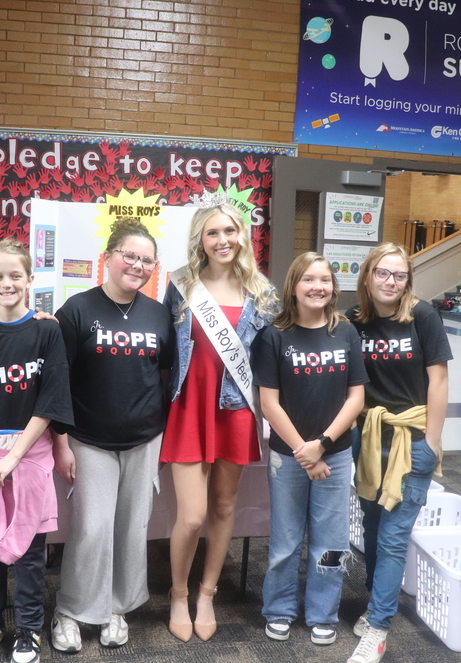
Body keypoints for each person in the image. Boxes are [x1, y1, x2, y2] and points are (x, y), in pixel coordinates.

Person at [50, 218, 174, 654]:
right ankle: (70, 610)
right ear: (108, 257)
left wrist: (161, 439)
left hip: (143, 440)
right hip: (89, 440)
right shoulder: (77, 311)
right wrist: (61, 443)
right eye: (130, 256)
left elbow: (164, 378)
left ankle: (116, 607)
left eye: (146, 260)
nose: (137, 265)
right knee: (92, 529)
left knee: (131, 528)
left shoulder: (159, 314)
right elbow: (57, 385)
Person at [161, 194, 277, 642]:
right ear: (201, 240)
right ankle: (177, 593)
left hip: (236, 411)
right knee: (191, 516)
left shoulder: (262, 293)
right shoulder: (180, 285)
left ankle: (206, 593)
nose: (223, 239)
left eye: (230, 230)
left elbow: (272, 357)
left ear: (241, 235)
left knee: (224, 507)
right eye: (213, 232)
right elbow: (161, 344)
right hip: (190, 406)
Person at [0, 238, 74, 663]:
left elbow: (50, 401)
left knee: (30, 551)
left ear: (30, 280)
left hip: (30, 453)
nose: (7, 283)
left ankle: (28, 628)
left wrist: (13, 457)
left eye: (15, 276)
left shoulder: (47, 331)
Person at [251, 252, 367, 646]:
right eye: (308, 279)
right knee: (285, 542)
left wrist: (323, 445)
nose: (318, 286)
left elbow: (356, 399)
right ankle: (279, 610)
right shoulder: (273, 336)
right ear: (294, 287)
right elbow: (269, 403)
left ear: (333, 287)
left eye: (325, 279)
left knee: (331, 544)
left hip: (333, 457)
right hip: (288, 458)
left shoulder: (346, 333)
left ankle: (323, 613)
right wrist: (304, 451)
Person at [345, 243, 452, 663]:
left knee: (393, 534)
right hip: (368, 436)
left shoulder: (422, 315)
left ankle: (379, 626)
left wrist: (432, 442)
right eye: (383, 273)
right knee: (370, 523)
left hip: (410, 436)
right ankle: (376, 601)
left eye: (400, 275)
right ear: (368, 276)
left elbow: (439, 381)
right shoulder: (354, 321)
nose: (391, 282)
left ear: (408, 279)